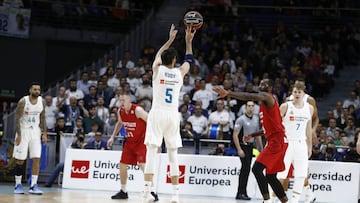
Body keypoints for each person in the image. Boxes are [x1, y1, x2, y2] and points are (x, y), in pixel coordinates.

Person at [142, 24, 195, 203]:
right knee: (173, 156)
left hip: (157, 114)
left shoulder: (157, 70)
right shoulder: (179, 73)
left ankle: (147, 193)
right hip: (173, 115)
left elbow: (158, 54)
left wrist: (170, 39)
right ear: (174, 61)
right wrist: (188, 41)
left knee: (151, 153)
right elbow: (189, 60)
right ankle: (175, 195)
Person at [213, 79, 288, 203]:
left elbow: (249, 96)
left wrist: (228, 93)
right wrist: (252, 135)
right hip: (278, 140)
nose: (260, 85)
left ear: (270, 87)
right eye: (260, 83)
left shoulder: (267, 97)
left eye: (264, 83)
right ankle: (285, 201)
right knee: (270, 176)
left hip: (277, 141)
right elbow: (267, 129)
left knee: (256, 169)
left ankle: (267, 201)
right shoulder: (265, 105)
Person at [107, 93, 158, 201]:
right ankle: (123, 191)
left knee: (143, 165)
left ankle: (152, 192)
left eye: (123, 101)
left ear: (129, 100)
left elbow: (152, 122)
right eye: (120, 101)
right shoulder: (120, 111)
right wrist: (112, 137)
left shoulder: (137, 110)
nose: (121, 103)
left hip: (141, 141)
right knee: (122, 165)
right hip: (129, 142)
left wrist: (155, 140)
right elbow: (120, 123)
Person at [277, 83, 313, 203]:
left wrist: (310, 146)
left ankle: (295, 200)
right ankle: (271, 200)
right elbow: (275, 125)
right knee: (281, 175)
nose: (297, 94)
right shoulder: (285, 106)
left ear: (304, 93)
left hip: (301, 143)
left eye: (299, 92)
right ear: (292, 93)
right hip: (286, 143)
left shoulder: (309, 108)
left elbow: (308, 128)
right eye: (295, 92)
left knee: (301, 175)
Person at [13, 82, 47, 195]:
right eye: (35, 89)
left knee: (36, 158)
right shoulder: (23, 101)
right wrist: (19, 135)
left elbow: (43, 118)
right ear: (30, 90)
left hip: (35, 132)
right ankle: (18, 185)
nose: (37, 91)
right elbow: (17, 119)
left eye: (38, 89)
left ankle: (33, 185)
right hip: (23, 131)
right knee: (20, 160)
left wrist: (44, 133)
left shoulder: (42, 101)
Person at [233, 100, 263, 200]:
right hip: (243, 146)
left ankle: (243, 192)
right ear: (245, 107)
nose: (251, 108)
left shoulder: (255, 119)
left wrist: (261, 148)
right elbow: (235, 135)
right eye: (249, 106)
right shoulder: (241, 119)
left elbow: (258, 134)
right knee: (245, 169)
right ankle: (240, 192)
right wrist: (239, 149)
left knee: (246, 170)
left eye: (252, 106)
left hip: (250, 146)